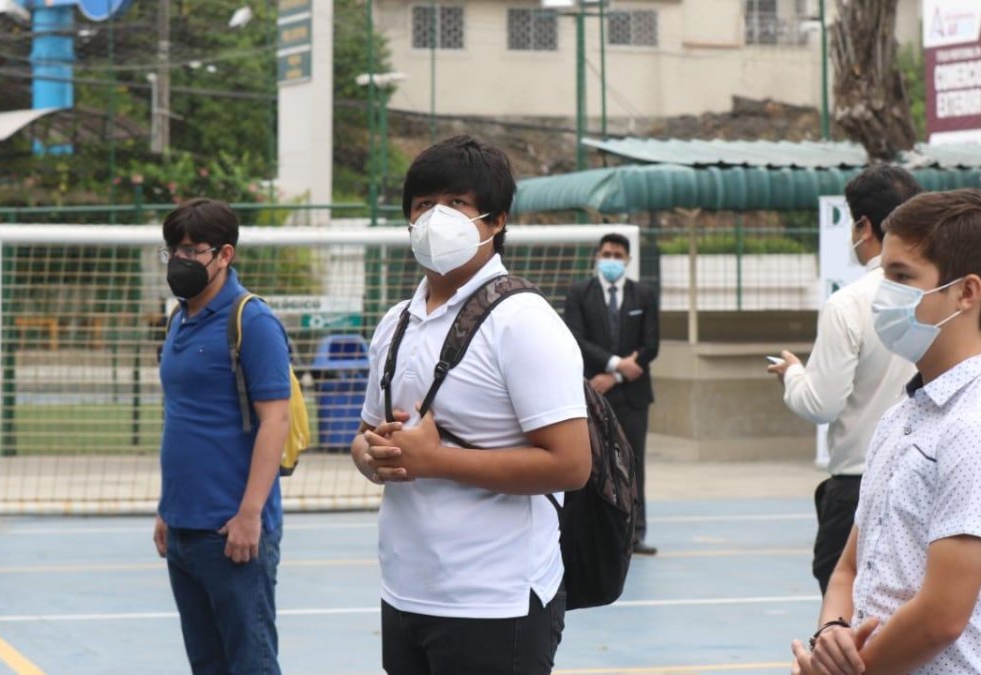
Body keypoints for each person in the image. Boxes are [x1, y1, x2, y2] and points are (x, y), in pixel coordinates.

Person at [351, 135, 591, 674]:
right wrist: (370, 456)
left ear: (496, 220)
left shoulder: (523, 321)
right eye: (423, 205)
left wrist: (437, 462)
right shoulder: (396, 323)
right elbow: (365, 437)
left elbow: (572, 464)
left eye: (457, 204)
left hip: (495, 599)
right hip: (406, 590)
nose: (437, 218)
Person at [791, 189, 981, 675]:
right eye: (884, 273)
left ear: (966, 293)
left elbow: (940, 619)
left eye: (901, 277)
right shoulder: (903, 416)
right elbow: (849, 569)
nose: (882, 294)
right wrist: (831, 635)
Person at [152, 198, 293, 674]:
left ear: (225, 255)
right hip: (184, 528)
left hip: (234, 531)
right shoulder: (178, 321)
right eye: (173, 250)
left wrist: (250, 515)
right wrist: (167, 509)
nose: (180, 261)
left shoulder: (252, 322)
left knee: (250, 663)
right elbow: (182, 418)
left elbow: (276, 420)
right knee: (206, 665)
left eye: (193, 251)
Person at [767, 165, 922, 594]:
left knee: (846, 620)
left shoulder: (849, 303)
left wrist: (793, 374)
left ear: (864, 226)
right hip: (926, 477)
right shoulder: (943, 292)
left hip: (860, 482)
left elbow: (821, 404)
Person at [563, 232, 660, 555]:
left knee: (634, 464)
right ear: (597, 256)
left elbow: (651, 345)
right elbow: (576, 339)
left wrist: (615, 375)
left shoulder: (644, 295)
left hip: (632, 396)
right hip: (591, 394)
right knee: (589, 463)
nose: (612, 260)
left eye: (618, 255)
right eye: (607, 254)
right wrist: (614, 364)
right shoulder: (579, 293)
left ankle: (636, 533)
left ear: (628, 260)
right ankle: (592, 533)